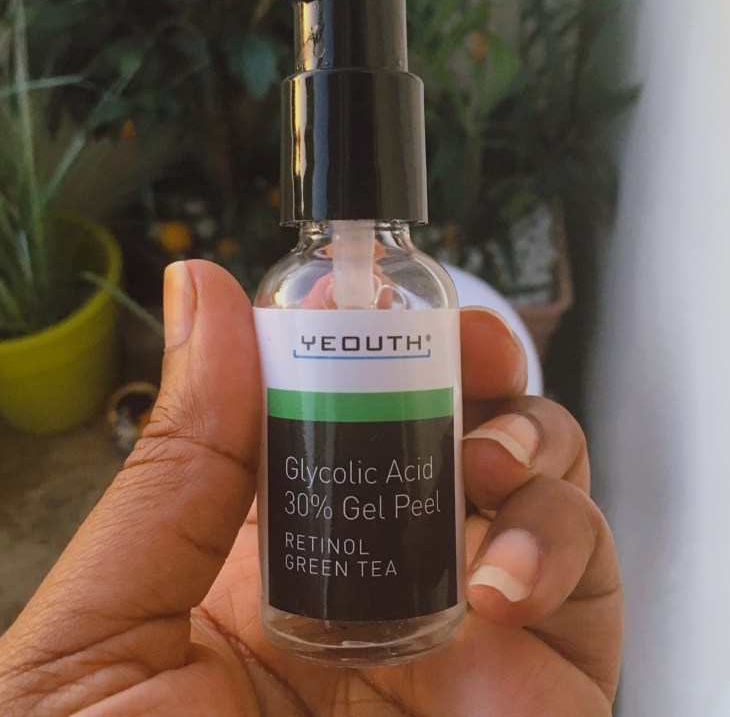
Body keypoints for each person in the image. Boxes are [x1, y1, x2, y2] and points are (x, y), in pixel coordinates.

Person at [0, 260, 623, 715]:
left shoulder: (424, 288)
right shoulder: (287, 289)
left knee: (490, 442)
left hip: (432, 632)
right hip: (285, 611)